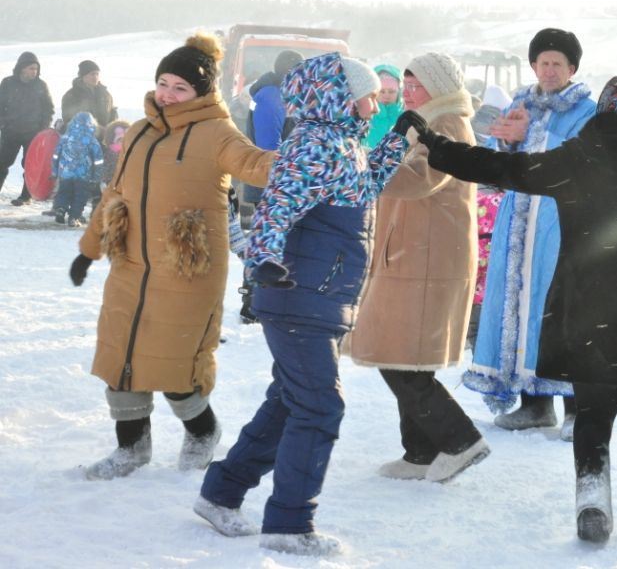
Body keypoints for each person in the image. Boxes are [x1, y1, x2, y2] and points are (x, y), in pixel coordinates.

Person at [404, 76, 617, 547]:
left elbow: (501, 167)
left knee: (592, 412)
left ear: (603, 113)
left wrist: (433, 145)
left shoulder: (577, 161)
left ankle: (592, 499)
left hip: (586, 307)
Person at [195, 53, 410, 557]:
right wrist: (265, 258)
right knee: (319, 406)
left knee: (291, 400)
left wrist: (398, 138)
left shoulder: (345, 144)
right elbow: (277, 205)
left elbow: (366, 187)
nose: (375, 97)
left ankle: (221, 492)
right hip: (298, 294)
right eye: (366, 91)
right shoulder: (314, 145)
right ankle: (289, 524)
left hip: (320, 295)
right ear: (338, 96)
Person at [68, 33, 277, 481]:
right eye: (163, 82)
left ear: (201, 93)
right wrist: (89, 250)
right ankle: (132, 448)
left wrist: (308, 152)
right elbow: (115, 193)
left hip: (188, 268)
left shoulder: (218, 132)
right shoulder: (141, 130)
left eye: (180, 88)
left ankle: (203, 431)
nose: (167, 94)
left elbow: (257, 164)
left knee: (177, 363)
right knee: (121, 357)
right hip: (131, 265)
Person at [348, 52, 488, 483]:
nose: (409, 91)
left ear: (440, 86)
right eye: (406, 83)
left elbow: (419, 180)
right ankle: (420, 452)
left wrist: (359, 166)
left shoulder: (446, 124)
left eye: (417, 84)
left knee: (399, 356)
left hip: (427, 259)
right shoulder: (426, 119)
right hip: (413, 254)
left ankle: (459, 440)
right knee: (406, 358)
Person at [464, 28, 596, 437]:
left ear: (572, 69)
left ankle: (577, 408)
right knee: (518, 306)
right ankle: (534, 404)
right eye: (544, 62)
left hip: (560, 221)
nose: (550, 69)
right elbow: (505, 159)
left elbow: (578, 161)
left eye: (558, 63)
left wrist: (532, 136)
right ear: (534, 65)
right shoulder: (522, 103)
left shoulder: (587, 110)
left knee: (560, 308)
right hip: (518, 219)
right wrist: (505, 142)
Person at [237, 49, 304, 324]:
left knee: (271, 241)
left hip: (272, 180)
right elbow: (268, 146)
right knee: (265, 241)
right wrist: (282, 178)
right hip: (270, 181)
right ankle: (252, 302)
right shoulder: (272, 96)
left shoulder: (277, 93)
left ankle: (262, 301)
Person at [466, 85, 512, 348]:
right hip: (496, 230)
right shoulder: (507, 139)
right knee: (491, 296)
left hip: (473, 228)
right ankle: (483, 347)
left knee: (474, 293)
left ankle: (476, 344)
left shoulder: (466, 131)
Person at [0, 51, 54, 205]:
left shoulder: (41, 86)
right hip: (10, 132)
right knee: (2, 163)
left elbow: (48, 109)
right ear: (22, 68)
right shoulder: (7, 83)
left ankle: (25, 196)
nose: (34, 72)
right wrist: (3, 124)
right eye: (31, 68)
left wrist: (43, 130)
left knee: (30, 166)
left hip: (33, 134)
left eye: (36, 69)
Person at [51, 111, 103, 227]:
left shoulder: (65, 138)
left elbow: (56, 155)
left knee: (63, 192)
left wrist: (55, 170)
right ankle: (74, 217)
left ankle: (60, 208)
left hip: (65, 172)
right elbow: (98, 161)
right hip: (83, 175)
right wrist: (96, 177)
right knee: (80, 196)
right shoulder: (92, 140)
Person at [60, 60, 118, 131]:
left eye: (97, 74)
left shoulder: (105, 94)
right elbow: (68, 119)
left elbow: (113, 113)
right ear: (83, 76)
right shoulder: (72, 95)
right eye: (92, 74)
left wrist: (112, 129)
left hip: (104, 138)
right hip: (82, 137)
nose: (95, 77)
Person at [362, 64, 403, 148]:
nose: (386, 95)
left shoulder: (405, 117)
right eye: (382, 91)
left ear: (399, 92)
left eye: (391, 91)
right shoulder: (364, 116)